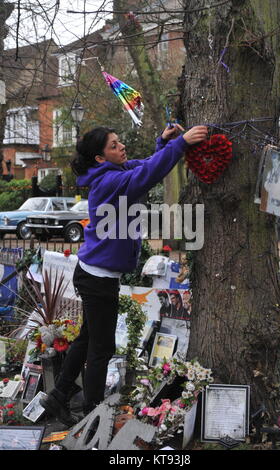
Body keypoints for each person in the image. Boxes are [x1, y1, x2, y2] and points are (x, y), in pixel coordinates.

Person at [40, 122, 208, 426]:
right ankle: (93, 414)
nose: (122, 147)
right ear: (101, 158)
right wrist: (181, 143)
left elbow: (143, 166)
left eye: (119, 142)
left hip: (95, 273)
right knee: (101, 348)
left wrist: (163, 143)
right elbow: (146, 175)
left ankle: (59, 395)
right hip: (98, 277)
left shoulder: (110, 173)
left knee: (87, 338)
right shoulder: (108, 182)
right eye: (114, 145)